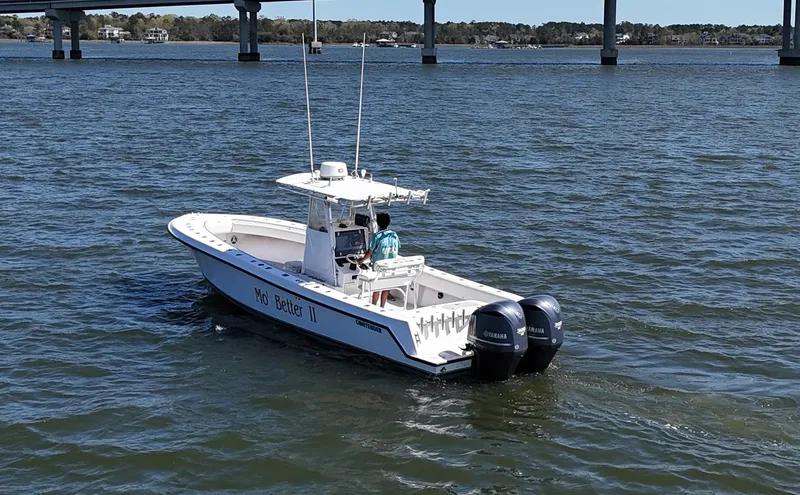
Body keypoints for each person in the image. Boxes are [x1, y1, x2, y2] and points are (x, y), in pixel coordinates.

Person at [357, 212, 400, 307]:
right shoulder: (394, 235)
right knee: (386, 288)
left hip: (379, 267)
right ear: (388, 223)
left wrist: (361, 260)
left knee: (377, 288)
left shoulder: (376, 236)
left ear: (377, 223)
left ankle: (373, 305)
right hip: (391, 266)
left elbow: (369, 252)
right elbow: (396, 248)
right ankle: (382, 306)